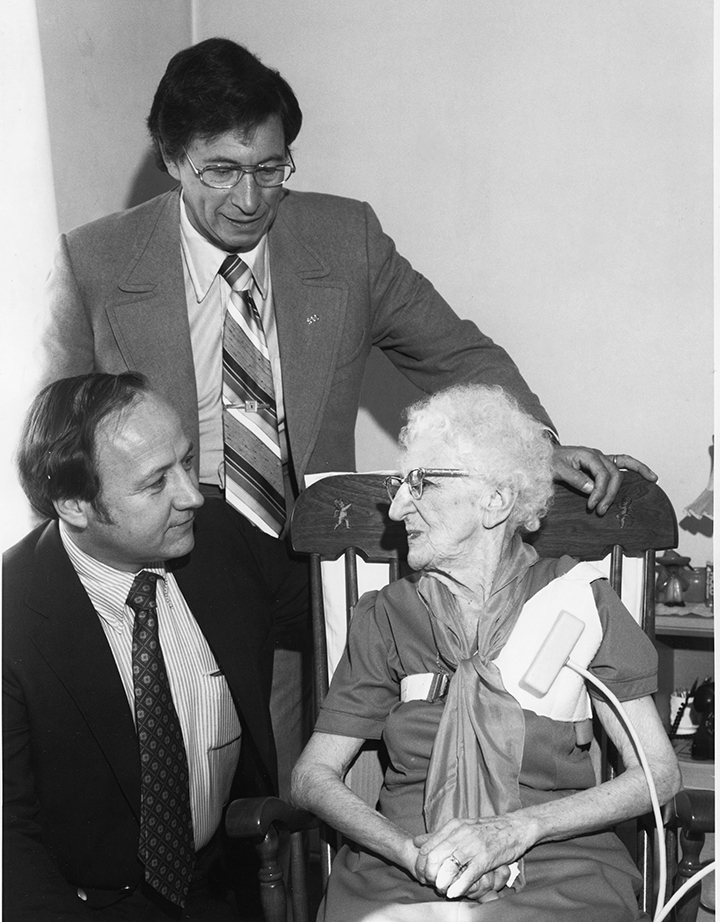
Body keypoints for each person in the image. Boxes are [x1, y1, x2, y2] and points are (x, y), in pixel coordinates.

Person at [39, 37, 656, 796]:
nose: (247, 199)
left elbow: (457, 352)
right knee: (232, 736)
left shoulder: (345, 238)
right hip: (189, 541)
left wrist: (534, 447)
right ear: (170, 159)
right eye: (221, 171)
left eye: (270, 170)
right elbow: (60, 432)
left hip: (315, 536)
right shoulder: (97, 260)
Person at [291, 384, 680, 922]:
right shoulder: (386, 614)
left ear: (495, 500)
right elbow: (312, 776)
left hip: (557, 862)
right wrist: (412, 854)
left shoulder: (579, 602)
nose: (399, 505)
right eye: (400, 485)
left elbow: (658, 774)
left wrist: (516, 832)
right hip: (405, 870)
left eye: (420, 483)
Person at [3, 373, 277, 921]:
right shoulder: (11, 616)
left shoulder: (219, 538)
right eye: (156, 484)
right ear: (75, 504)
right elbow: (7, 839)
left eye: (186, 460)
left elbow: (344, 603)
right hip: (85, 907)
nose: (193, 495)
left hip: (225, 890)